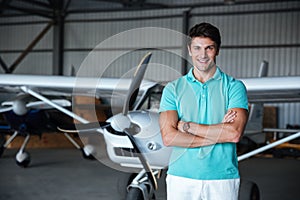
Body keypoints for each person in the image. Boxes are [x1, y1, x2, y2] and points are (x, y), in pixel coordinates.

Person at [159, 22, 249, 200]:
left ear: (217, 50)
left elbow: (233, 134)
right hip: (180, 178)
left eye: (209, 48)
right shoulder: (173, 89)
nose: (203, 54)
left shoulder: (234, 87)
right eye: (197, 48)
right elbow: (169, 137)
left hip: (222, 179)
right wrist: (218, 133)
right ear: (190, 50)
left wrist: (187, 127)